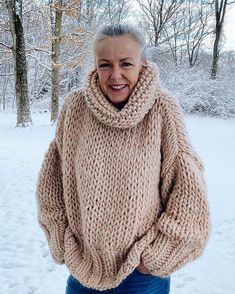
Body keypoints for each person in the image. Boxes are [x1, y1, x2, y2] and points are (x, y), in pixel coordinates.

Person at [36, 23, 211, 294]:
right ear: (95, 67)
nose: (115, 75)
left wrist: (152, 258)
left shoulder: (162, 110)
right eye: (105, 65)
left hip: (141, 277)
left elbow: (188, 190)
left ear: (142, 65)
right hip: (84, 269)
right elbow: (52, 181)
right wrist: (62, 240)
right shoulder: (76, 108)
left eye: (126, 64)